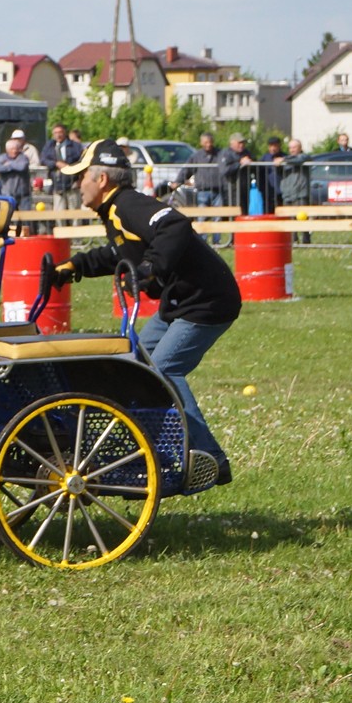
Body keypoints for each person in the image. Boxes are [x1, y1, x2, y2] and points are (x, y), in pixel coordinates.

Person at [46, 139, 241, 486]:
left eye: (81, 178)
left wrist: (153, 266)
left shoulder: (127, 204)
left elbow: (174, 225)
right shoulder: (114, 211)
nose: (78, 186)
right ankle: (146, 447)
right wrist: (74, 266)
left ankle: (211, 458)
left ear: (101, 179)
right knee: (134, 362)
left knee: (162, 370)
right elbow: (117, 254)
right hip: (179, 302)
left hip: (206, 300)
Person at [276, 137, 312, 245]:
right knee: (289, 219)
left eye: (294, 147)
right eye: (290, 148)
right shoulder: (285, 160)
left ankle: (306, 240)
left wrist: (283, 160)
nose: (292, 150)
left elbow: (299, 160)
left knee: (302, 218)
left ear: (300, 148)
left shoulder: (304, 157)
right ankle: (292, 240)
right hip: (287, 193)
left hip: (300, 193)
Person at [40, 123, 85, 209]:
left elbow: (82, 162)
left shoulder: (75, 146)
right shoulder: (49, 146)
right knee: (59, 215)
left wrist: (79, 179)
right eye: (56, 133)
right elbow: (43, 160)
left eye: (60, 132)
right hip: (58, 185)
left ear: (65, 133)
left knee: (75, 215)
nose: (58, 135)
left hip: (73, 184)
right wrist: (56, 163)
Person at [0, 133, 34, 210]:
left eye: (16, 149)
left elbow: (22, 167)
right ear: (7, 150)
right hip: (7, 195)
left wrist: (8, 164)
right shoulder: (2, 157)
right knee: (8, 217)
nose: (15, 151)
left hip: (23, 195)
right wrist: (12, 166)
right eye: (12, 149)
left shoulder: (23, 157)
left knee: (26, 219)